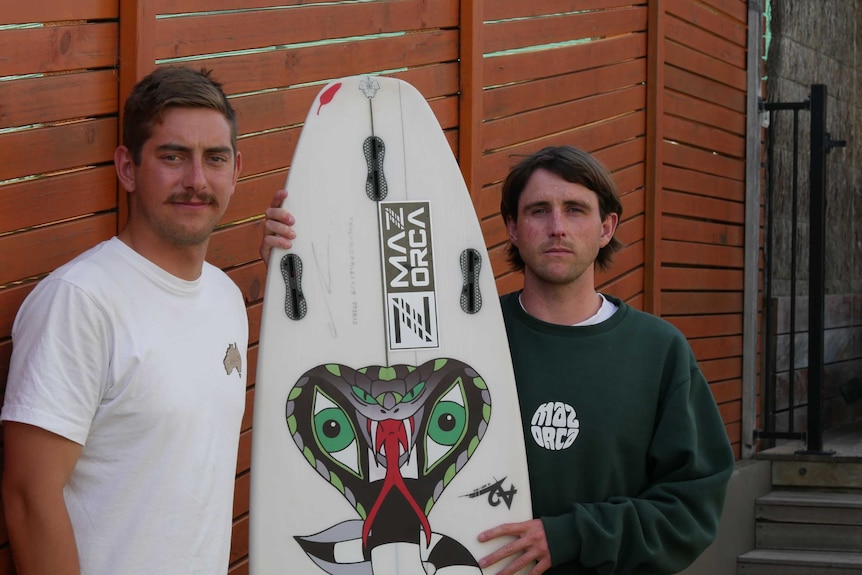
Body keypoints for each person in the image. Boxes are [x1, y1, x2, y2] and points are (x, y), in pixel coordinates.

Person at [259, 145, 734, 575]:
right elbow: (356, 339)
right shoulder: (459, 342)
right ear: (511, 226)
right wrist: (292, 257)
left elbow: (692, 507)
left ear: (607, 227)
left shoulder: (657, 350)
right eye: (538, 211)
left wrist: (571, 535)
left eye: (575, 210)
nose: (557, 227)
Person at [2, 66, 249, 575]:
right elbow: (29, 496)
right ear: (128, 168)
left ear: (236, 171)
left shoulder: (225, 297)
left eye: (214, 159)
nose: (196, 181)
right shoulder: (80, 303)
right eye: (172, 156)